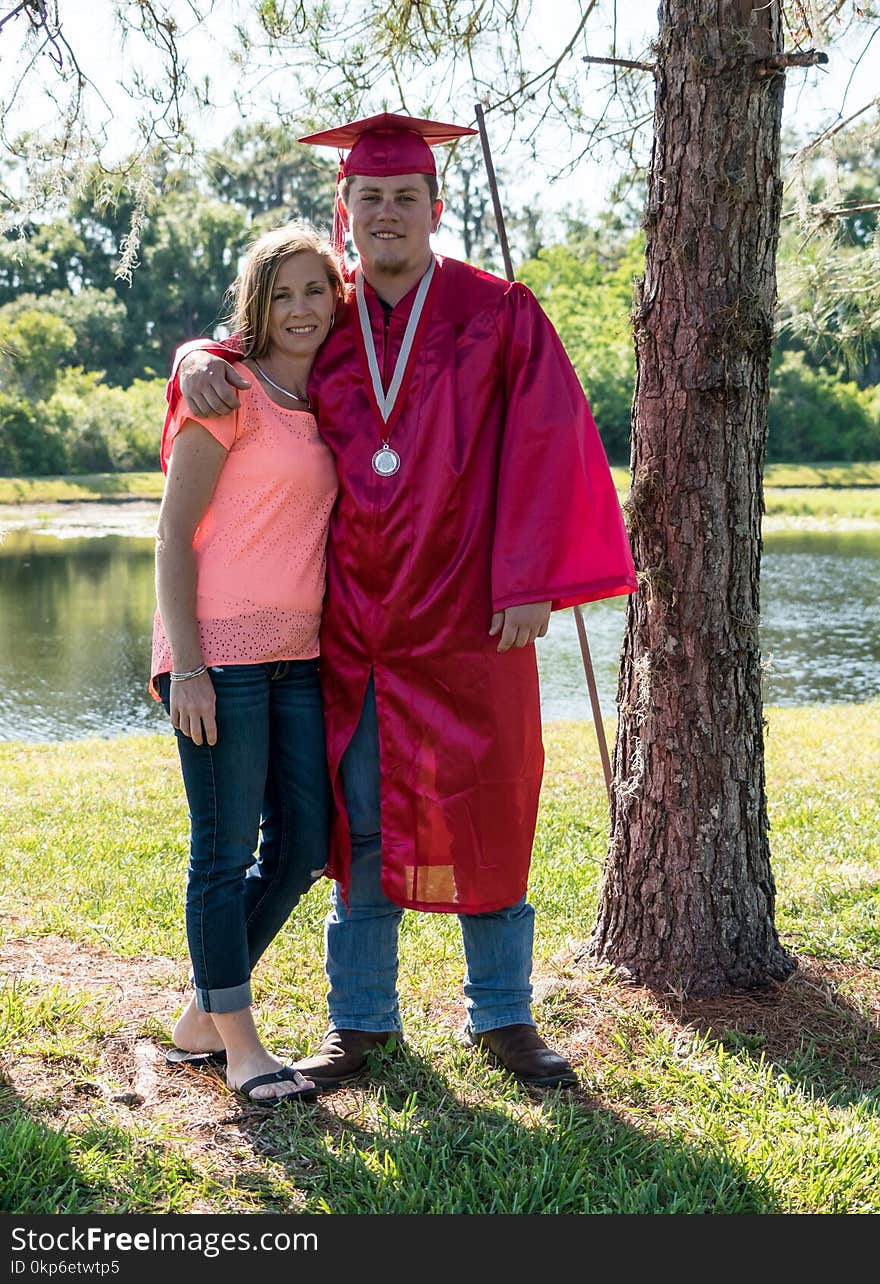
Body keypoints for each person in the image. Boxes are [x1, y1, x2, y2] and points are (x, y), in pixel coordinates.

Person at [167, 113, 638, 1091]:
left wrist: (527, 581)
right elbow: (247, 350)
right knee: (360, 828)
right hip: (352, 632)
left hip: (471, 621)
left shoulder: (497, 311)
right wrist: (192, 357)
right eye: (369, 197)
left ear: (435, 206)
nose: (386, 213)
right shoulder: (328, 324)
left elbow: (549, 444)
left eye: (404, 197)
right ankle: (362, 1025)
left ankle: (503, 1016)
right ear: (347, 211)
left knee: (489, 813)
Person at [152, 222, 344, 1105]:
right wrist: (185, 664)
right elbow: (172, 535)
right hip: (218, 657)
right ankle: (241, 1048)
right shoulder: (223, 390)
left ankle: (200, 1020)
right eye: (284, 293)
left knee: (303, 844)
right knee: (223, 852)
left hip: (296, 658)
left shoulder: (328, 402)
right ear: (257, 303)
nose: (301, 309)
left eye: (317, 290)